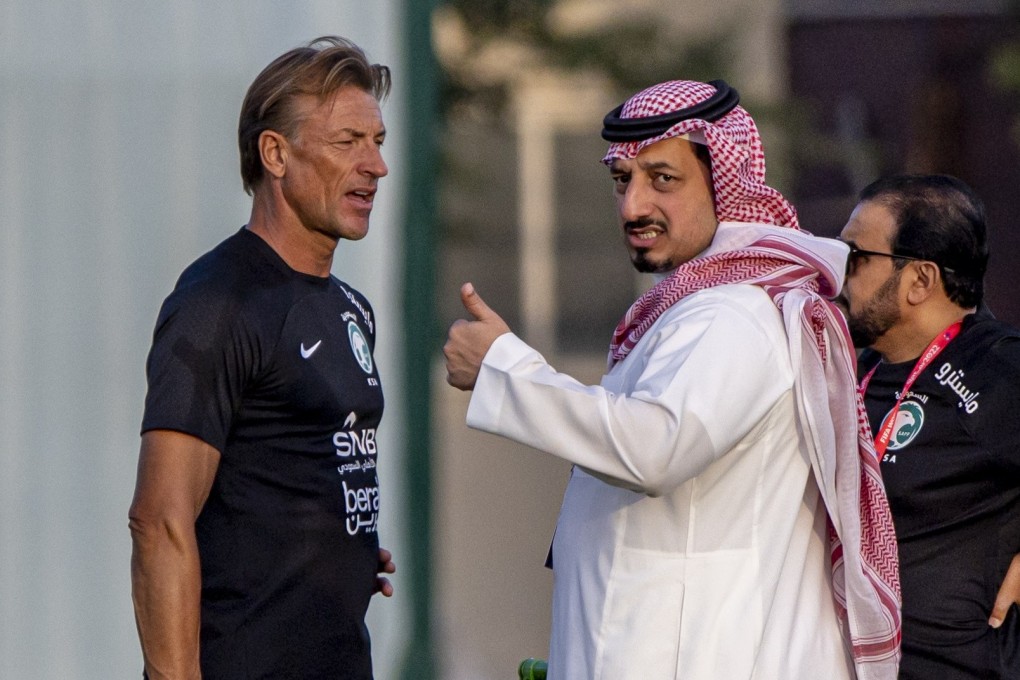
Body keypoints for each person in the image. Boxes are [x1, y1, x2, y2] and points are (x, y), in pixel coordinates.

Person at [444, 79, 901, 680]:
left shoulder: (734, 316)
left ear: (725, 183)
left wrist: (506, 370)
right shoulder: (703, 307)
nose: (633, 206)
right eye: (622, 181)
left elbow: (655, 447)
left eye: (663, 179)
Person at [129, 36, 395, 680]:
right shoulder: (219, 301)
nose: (376, 166)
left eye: (378, 142)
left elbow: (284, 466)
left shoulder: (350, 308)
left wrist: (338, 545)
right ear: (275, 153)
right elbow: (159, 520)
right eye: (347, 142)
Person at [836, 174, 1020, 679]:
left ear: (920, 280)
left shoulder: (995, 368)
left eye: (856, 256)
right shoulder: (856, 367)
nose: (838, 271)